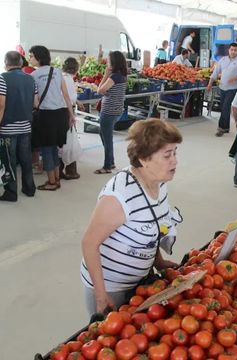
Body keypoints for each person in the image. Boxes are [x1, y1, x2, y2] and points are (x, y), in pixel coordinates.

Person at [80, 119, 183, 316]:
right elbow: (89, 243)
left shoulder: (159, 183)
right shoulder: (121, 195)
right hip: (110, 286)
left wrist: (158, 261)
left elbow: (152, 227)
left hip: (139, 282)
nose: (175, 161)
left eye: (175, 153)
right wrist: (101, 296)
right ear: (144, 159)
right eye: (167, 155)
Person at [0, 51, 38, 202]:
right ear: (20, 63)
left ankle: (11, 193)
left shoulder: (3, 78)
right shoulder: (31, 79)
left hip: (7, 128)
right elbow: (35, 104)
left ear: (6, 63)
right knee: (26, 159)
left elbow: (0, 105)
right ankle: (29, 188)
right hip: (26, 127)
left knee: (9, 160)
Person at [29, 45, 75, 191]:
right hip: (60, 113)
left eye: (31, 56)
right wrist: (71, 115)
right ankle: (56, 178)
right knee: (54, 148)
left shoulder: (33, 76)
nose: (29, 58)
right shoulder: (57, 71)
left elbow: (35, 101)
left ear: (38, 57)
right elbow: (66, 95)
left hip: (46, 115)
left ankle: (51, 182)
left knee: (47, 149)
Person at [92, 51, 128, 174]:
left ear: (114, 62)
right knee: (104, 135)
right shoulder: (122, 75)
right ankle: (110, 162)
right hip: (116, 110)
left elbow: (99, 90)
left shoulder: (114, 77)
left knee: (107, 139)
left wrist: (105, 75)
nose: (107, 62)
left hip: (108, 111)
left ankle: (108, 166)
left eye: (109, 60)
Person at [207, 43, 237, 137]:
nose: (233, 51)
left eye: (235, 50)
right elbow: (215, 72)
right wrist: (210, 84)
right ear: (228, 50)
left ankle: (221, 128)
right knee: (223, 107)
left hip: (233, 88)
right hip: (222, 87)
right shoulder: (223, 60)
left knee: (226, 106)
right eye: (231, 50)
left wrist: (235, 78)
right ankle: (226, 127)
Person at [60, 57, 83, 180]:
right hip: (66, 111)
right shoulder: (68, 79)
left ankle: (59, 169)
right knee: (69, 140)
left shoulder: (60, 76)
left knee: (62, 141)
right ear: (75, 69)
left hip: (58, 111)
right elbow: (70, 97)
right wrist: (72, 115)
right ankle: (71, 171)